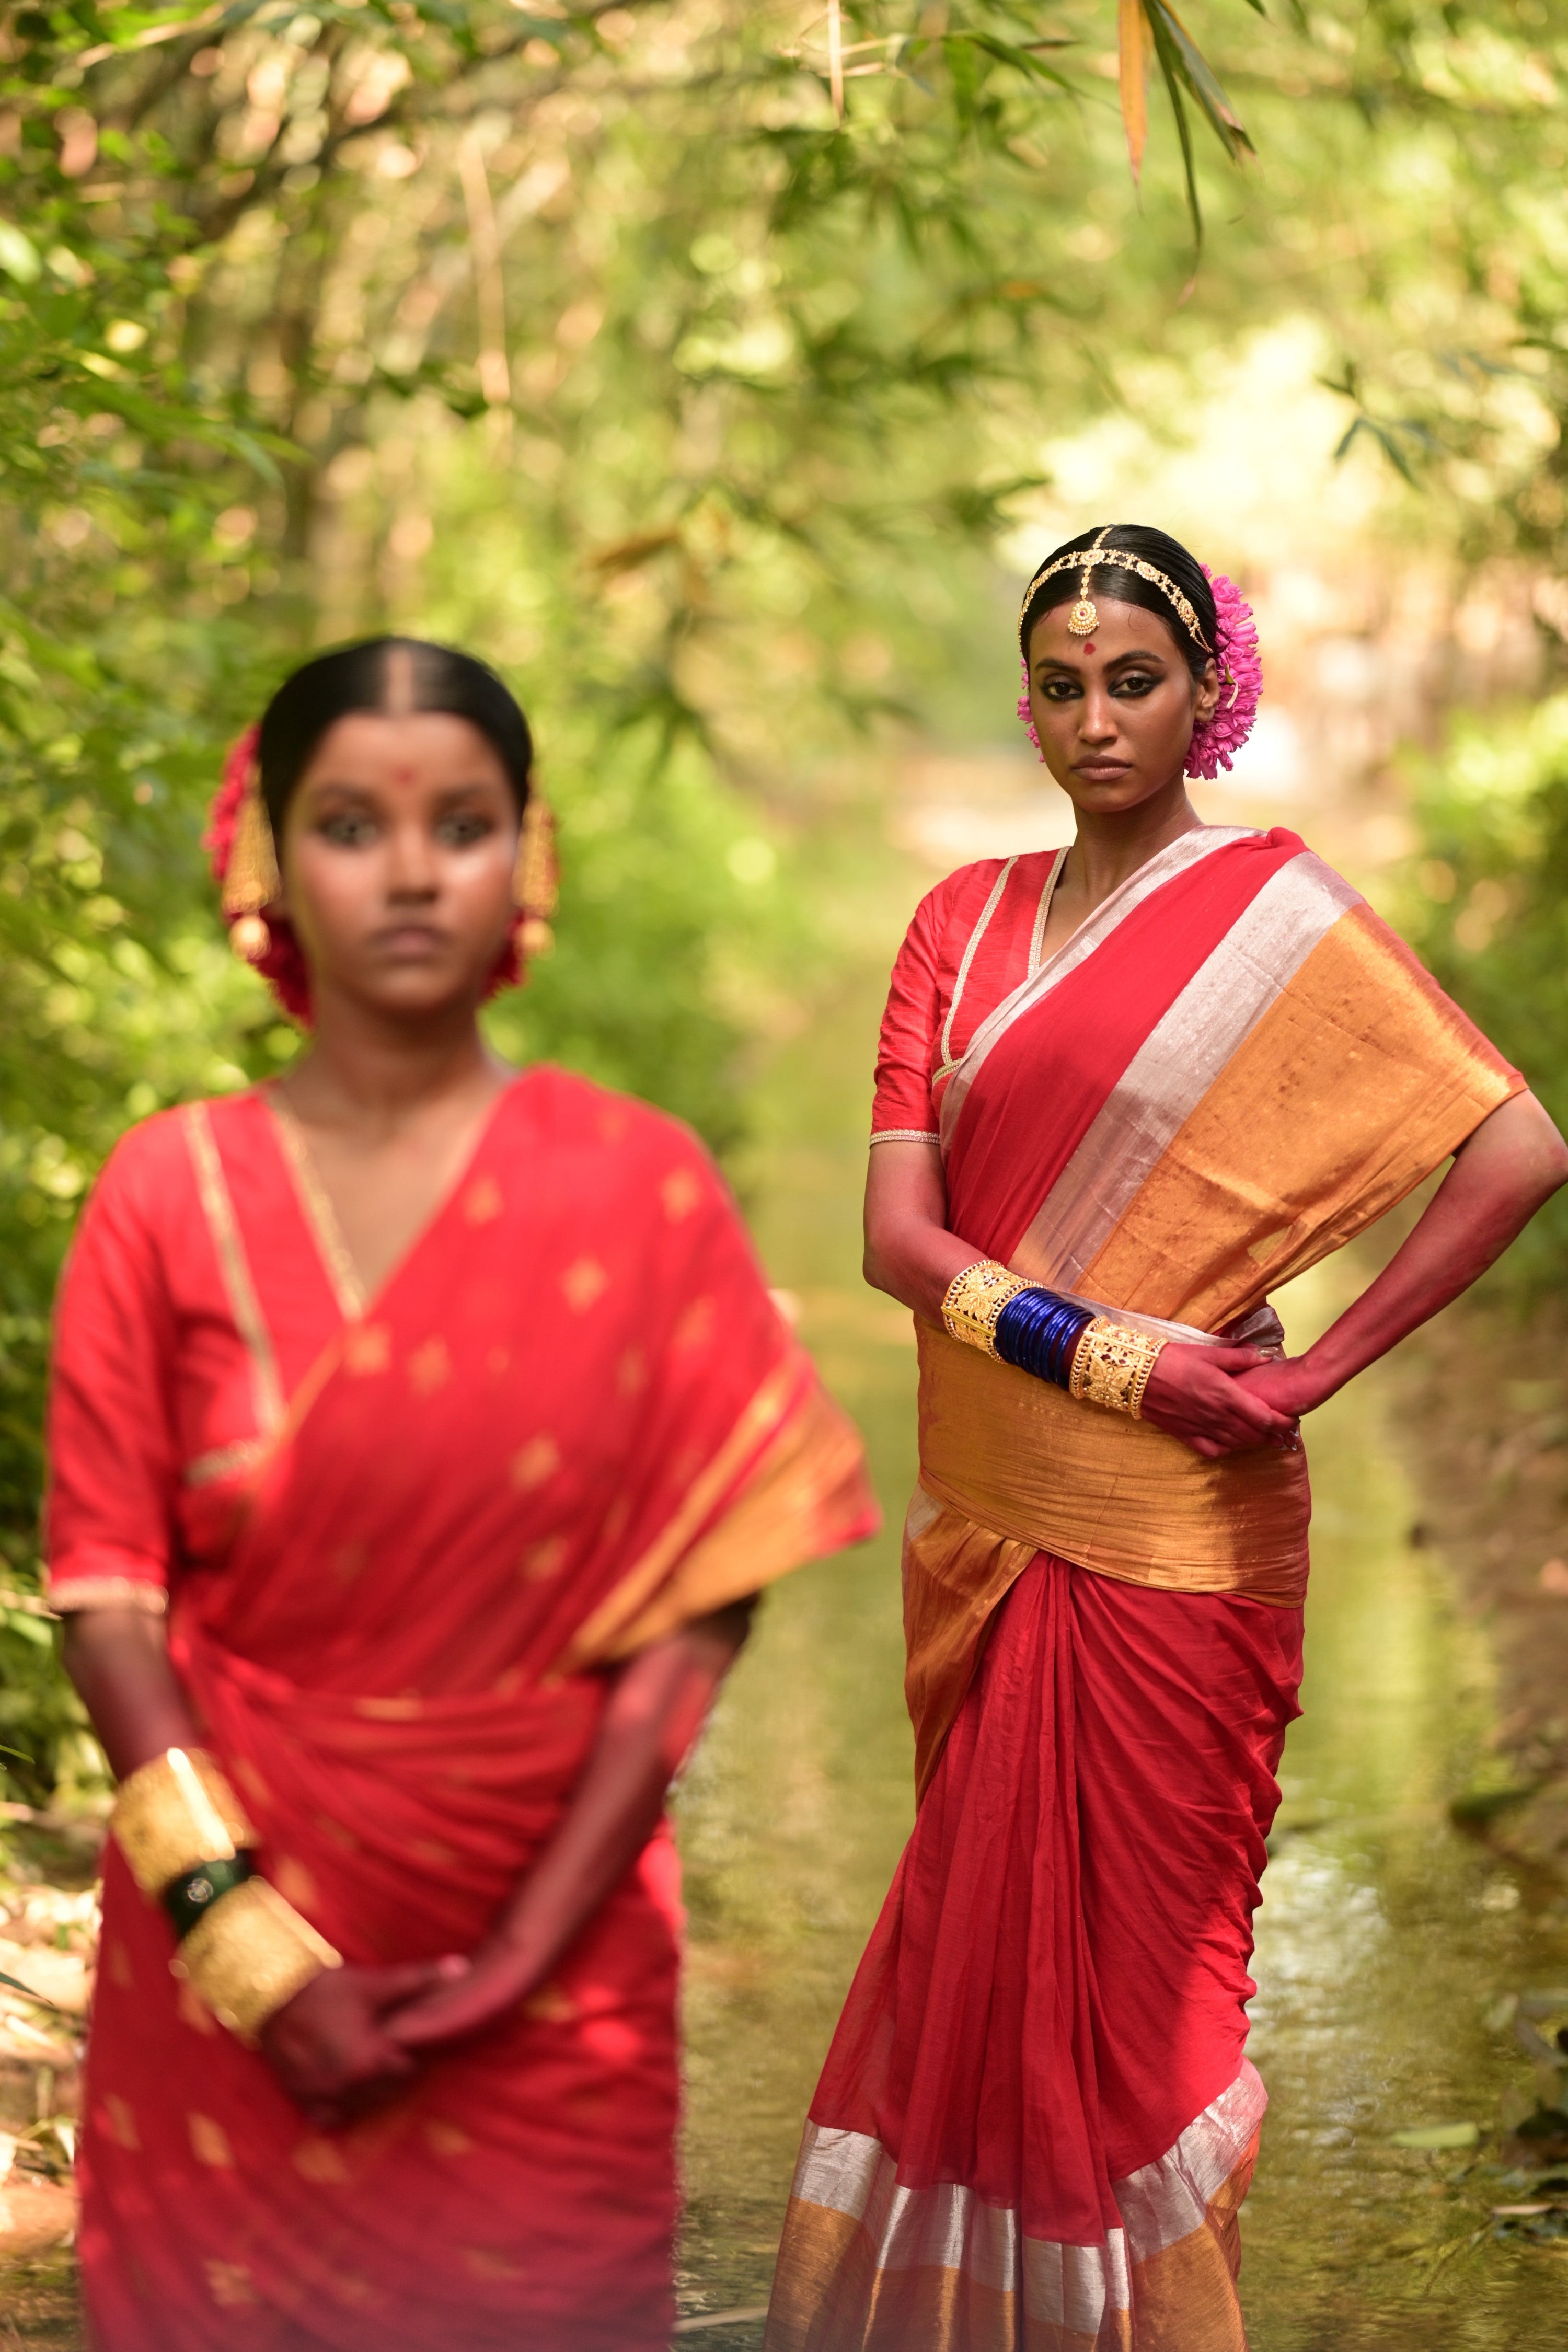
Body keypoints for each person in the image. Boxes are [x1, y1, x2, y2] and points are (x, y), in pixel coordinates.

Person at [764, 524, 1568, 2351]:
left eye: (1134, 679)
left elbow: (1515, 1145)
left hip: (1187, 1542)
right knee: (979, 1944)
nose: (1093, 717)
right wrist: (1126, 1358)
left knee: (1151, 1997)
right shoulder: (956, 925)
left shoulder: (1282, 926)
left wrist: (1315, 1372)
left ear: (1210, 694)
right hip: (999, 1507)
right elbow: (897, 1243)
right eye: (1060, 684)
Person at [47, 637, 878, 2352]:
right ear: (270, 859)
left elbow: (708, 1596)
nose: (413, 870)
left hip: (553, 2007)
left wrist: (516, 1961)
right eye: (352, 823)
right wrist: (248, 1944)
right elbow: (107, 1597)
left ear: (528, 856)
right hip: (220, 1997)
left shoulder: (637, 1188)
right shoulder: (166, 1190)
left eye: (463, 822)